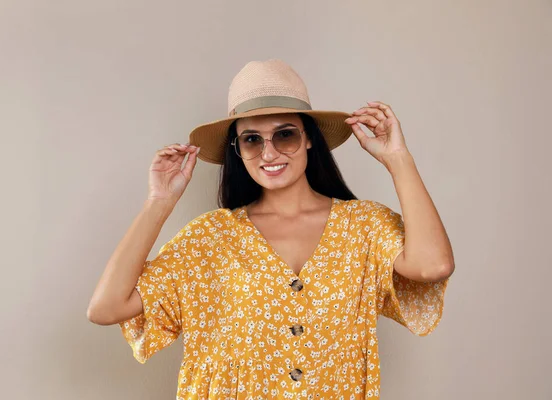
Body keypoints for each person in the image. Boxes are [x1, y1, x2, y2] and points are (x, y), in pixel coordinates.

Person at [87, 59, 454, 399]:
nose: (269, 153)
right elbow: (106, 308)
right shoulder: (209, 239)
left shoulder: (364, 227)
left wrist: (398, 160)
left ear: (309, 137)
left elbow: (432, 265)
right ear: (237, 149)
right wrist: (159, 202)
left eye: (285, 135)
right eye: (251, 139)